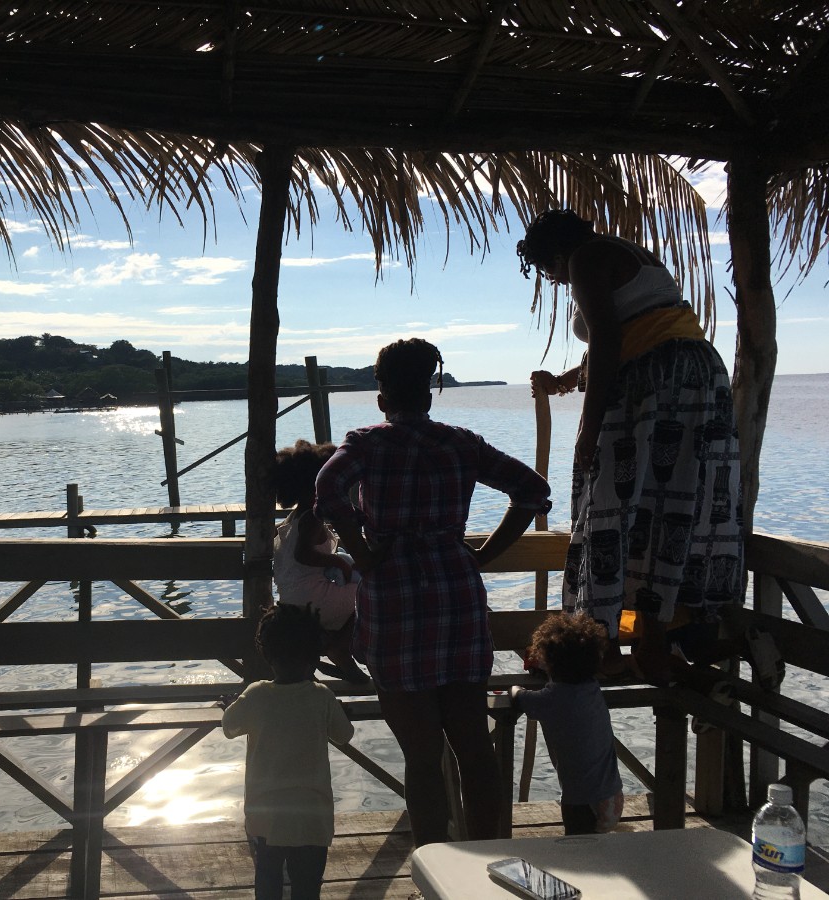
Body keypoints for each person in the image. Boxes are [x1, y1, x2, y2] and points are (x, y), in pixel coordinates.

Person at [314, 337, 551, 846]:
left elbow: (326, 491)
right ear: (429, 390)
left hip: (394, 602)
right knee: (473, 745)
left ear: (382, 396)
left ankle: (434, 864)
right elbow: (532, 491)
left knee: (421, 758)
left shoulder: (365, 444)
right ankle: (486, 857)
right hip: (456, 597)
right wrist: (485, 553)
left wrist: (361, 545)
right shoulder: (461, 443)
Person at [518, 209, 745, 685]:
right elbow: (632, 329)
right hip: (691, 379)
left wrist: (588, 424)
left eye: (547, 271)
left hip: (658, 386)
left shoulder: (586, 258)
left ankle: (613, 645)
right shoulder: (625, 253)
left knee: (613, 504)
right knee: (671, 504)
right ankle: (655, 640)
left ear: (556, 254)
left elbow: (608, 337)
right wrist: (562, 382)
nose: (555, 281)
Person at [221, 603, 355, 900]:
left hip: (266, 819)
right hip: (313, 819)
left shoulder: (255, 694)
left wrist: (232, 704)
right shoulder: (322, 697)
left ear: (266, 653)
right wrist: (340, 712)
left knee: (268, 883)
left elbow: (229, 727)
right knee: (307, 888)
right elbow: (345, 735)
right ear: (313, 656)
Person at [512, 614, 625, 835]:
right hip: (613, 794)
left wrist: (513, 688)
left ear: (550, 662)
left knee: (578, 849)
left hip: (582, 801)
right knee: (596, 850)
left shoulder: (551, 699)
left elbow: (519, 698)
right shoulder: (591, 688)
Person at [273, 439, 369, 684]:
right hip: (310, 597)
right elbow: (303, 555)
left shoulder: (292, 519)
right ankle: (340, 649)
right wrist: (340, 564)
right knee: (366, 594)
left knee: (343, 596)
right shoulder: (313, 518)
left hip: (290, 599)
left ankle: (325, 650)